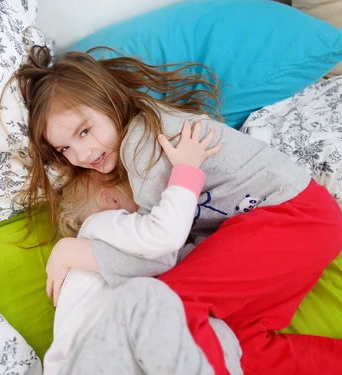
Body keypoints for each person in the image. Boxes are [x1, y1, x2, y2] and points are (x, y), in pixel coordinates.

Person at [9, 45, 342, 375]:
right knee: (236, 342)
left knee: (168, 306)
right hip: (297, 229)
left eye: (85, 131)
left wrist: (73, 250)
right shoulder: (139, 139)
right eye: (64, 150)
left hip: (289, 217)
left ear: (109, 101)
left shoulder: (143, 142)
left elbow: (160, 253)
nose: (82, 155)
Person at [44, 120, 243, 375]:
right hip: (85, 358)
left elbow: (178, 263)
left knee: (217, 333)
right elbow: (162, 250)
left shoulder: (112, 254)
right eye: (134, 188)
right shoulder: (98, 226)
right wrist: (186, 174)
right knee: (146, 295)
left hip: (126, 356)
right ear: (110, 198)